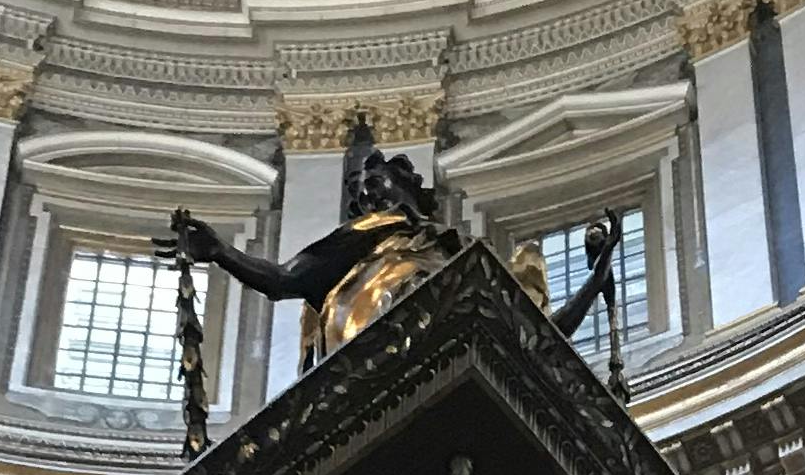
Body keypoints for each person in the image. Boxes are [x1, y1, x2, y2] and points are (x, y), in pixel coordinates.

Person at [171, 143, 620, 363]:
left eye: (374, 184)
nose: (366, 199)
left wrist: (597, 277)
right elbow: (285, 281)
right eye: (360, 196)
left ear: (404, 183)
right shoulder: (365, 241)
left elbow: (538, 338)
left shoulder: (465, 260)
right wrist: (222, 253)